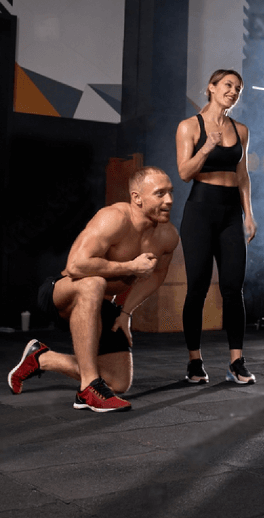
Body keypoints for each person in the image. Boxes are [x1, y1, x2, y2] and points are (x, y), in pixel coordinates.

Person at [8, 167, 179, 412]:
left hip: (101, 304)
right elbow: (75, 265)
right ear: (137, 197)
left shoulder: (168, 236)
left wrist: (125, 313)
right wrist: (130, 266)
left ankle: (42, 359)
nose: (169, 200)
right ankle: (88, 389)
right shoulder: (115, 218)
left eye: (171, 193)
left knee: (119, 382)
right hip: (63, 293)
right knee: (94, 281)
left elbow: (157, 276)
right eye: (160, 194)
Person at [175, 69, 258, 386]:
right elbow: (184, 173)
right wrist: (207, 146)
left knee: (233, 289)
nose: (234, 91)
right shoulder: (188, 127)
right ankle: (195, 362)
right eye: (228, 85)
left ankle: (236, 361)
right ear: (210, 87)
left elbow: (243, 176)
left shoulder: (241, 130)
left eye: (239, 88)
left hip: (230, 214)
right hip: (199, 211)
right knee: (196, 287)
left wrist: (248, 214)